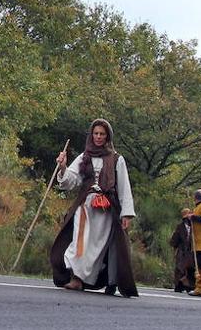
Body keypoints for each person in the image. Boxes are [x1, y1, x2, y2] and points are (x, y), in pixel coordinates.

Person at [49, 119, 137, 297]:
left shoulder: (117, 159)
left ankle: (110, 281)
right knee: (80, 241)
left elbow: (124, 187)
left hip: (106, 210)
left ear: (107, 137)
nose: (98, 137)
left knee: (103, 246)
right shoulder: (84, 157)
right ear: (92, 135)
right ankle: (76, 278)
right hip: (86, 207)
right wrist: (63, 166)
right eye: (96, 133)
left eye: (102, 134)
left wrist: (126, 214)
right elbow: (71, 180)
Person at [169, 208, 196, 293]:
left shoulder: (194, 227)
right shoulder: (180, 227)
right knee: (180, 269)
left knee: (191, 269)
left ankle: (190, 286)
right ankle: (179, 286)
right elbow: (174, 240)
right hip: (182, 251)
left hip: (191, 251)